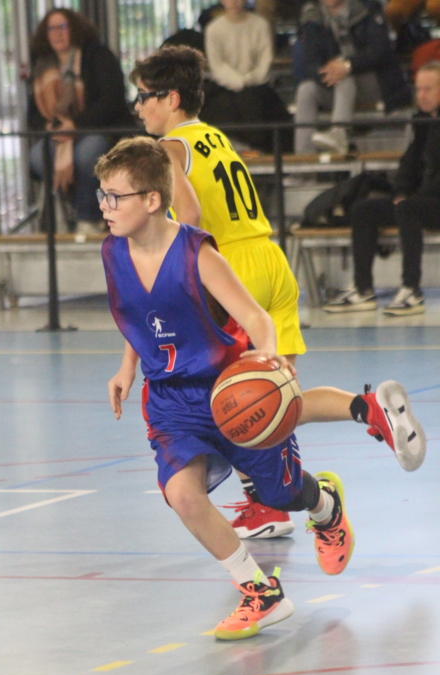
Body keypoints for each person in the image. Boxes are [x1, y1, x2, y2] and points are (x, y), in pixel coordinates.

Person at [129, 45, 426, 540]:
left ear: (171, 98)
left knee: (232, 404)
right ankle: (367, 409)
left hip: (230, 272)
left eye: (143, 96)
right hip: (270, 261)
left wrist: (168, 262)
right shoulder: (214, 138)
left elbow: (191, 215)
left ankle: (270, 501)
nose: (137, 107)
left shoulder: (167, 149)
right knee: (275, 399)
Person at [96, 135, 355, 640]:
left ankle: (325, 504)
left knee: (282, 492)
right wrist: (127, 366)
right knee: (182, 494)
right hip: (170, 400)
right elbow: (140, 314)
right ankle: (259, 591)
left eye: (115, 196)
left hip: (228, 388)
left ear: (152, 200)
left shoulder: (197, 253)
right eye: (101, 194)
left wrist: (268, 357)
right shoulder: (113, 252)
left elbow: (256, 319)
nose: (104, 206)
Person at [324, 61, 440, 315]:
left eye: (428, 89)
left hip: (432, 202)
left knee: (408, 209)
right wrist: (400, 192)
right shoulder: (422, 121)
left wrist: (412, 199)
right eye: (418, 89)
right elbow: (409, 164)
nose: (421, 95)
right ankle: (363, 289)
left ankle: (411, 290)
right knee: (363, 210)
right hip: (418, 201)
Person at [27, 7, 133, 234]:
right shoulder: (42, 65)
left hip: (100, 129)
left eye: (62, 27)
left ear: (74, 29)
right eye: (51, 29)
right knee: (38, 157)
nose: (57, 33)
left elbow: (112, 101)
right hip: (59, 136)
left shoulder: (98, 56)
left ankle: (88, 218)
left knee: (86, 155)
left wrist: (75, 125)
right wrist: (50, 126)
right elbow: (33, 115)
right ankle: (67, 212)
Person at [294, 0, 411, 155]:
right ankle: (304, 159)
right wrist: (330, 72)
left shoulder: (367, 8)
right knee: (306, 89)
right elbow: (310, 63)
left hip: (376, 84)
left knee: (345, 76)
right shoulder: (312, 16)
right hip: (337, 86)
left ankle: (339, 132)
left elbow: (380, 52)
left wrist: (347, 65)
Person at [201, 0, 293, 153]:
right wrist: (239, 82)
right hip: (225, 88)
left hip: (257, 86)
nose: (234, 2)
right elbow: (217, 65)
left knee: (260, 107)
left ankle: (260, 151)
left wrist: (250, 79)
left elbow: (265, 59)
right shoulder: (213, 29)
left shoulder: (260, 25)